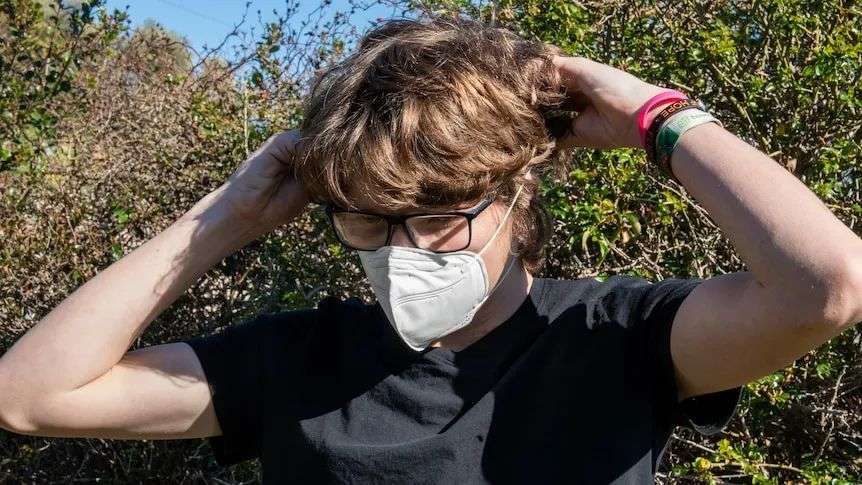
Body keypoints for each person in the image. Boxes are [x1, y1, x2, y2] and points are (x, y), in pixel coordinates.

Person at [0, 15, 859, 484]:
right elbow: (30, 394)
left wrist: (657, 118)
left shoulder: (617, 338)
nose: (401, 249)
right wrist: (222, 219)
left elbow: (827, 284)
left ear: (517, 188)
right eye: (367, 220)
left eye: (440, 214)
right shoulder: (296, 361)